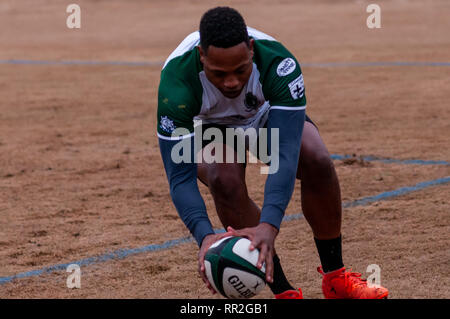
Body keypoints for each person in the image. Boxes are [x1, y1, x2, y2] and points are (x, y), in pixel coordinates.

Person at [157, 6, 389, 299]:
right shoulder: (176, 84)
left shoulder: (279, 62)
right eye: (219, 74)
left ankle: (336, 278)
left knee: (315, 157)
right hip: (209, 126)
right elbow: (180, 178)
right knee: (223, 177)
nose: (231, 82)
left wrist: (269, 224)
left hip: (261, 114)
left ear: (251, 50)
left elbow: (284, 155)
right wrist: (205, 237)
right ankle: (284, 292)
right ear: (201, 55)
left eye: (240, 70)